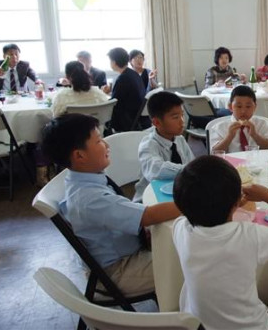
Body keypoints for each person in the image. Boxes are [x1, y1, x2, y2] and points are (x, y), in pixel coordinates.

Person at [40, 113, 181, 296]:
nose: (107, 145)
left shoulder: (83, 181)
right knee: (194, 259)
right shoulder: (89, 198)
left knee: (183, 245)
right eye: (99, 141)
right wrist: (196, 203)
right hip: (120, 270)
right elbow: (148, 215)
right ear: (79, 155)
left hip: (124, 255)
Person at [172, 155, 268, 330]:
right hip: (250, 327)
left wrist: (230, 204)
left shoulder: (180, 229)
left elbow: (196, 211)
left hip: (199, 324)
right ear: (236, 202)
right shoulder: (248, 236)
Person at [133, 91, 194, 202]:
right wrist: (190, 170)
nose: (182, 121)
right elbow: (156, 170)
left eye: (182, 115)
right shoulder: (148, 145)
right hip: (150, 199)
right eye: (175, 117)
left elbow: (192, 163)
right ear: (157, 122)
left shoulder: (179, 139)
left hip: (178, 193)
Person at [209, 86, 268, 153]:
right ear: (230, 107)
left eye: (248, 106)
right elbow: (214, 153)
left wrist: (255, 135)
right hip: (230, 160)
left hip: (257, 159)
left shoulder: (262, 124)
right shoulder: (219, 127)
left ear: (255, 107)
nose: (243, 111)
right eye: (239, 106)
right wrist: (229, 137)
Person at [102, 47, 146, 132]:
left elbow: (114, 104)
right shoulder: (133, 74)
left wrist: (103, 94)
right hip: (137, 118)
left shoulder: (123, 78)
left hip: (126, 121)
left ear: (114, 62)